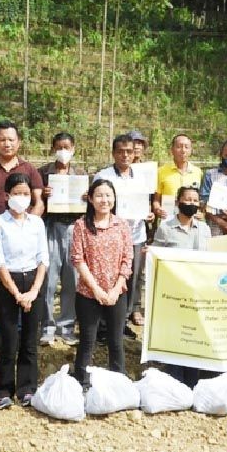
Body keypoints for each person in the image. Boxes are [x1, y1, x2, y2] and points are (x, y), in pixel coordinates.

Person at [0, 121, 44, 359]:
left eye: (11, 139)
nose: (7, 143)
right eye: (2, 139)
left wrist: (25, 227)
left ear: (19, 141)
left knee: (25, 287)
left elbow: (39, 202)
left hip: (26, 243)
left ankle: (22, 333)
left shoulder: (30, 170)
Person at [0, 173, 49, 409]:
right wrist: (16, 294)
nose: (21, 198)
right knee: (9, 339)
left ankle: (27, 389)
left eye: (25, 194)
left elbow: (43, 258)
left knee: (30, 341)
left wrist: (33, 291)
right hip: (9, 282)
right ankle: (2, 389)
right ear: (7, 195)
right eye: (17, 193)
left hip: (33, 281)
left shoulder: (37, 223)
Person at [70, 179, 133, 388]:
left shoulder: (122, 225)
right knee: (87, 341)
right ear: (90, 198)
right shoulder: (81, 225)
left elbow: (127, 258)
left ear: (114, 198)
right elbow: (78, 259)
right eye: (99, 195)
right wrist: (96, 289)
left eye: (108, 195)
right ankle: (83, 384)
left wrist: (116, 289)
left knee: (116, 342)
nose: (104, 200)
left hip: (117, 293)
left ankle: (119, 385)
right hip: (88, 294)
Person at [152, 185, 210, 387]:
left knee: (194, 335)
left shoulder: (204, 229)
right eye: (187, 199)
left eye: (195, 200)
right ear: (178, 202)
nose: (192, 204)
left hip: (198, 292)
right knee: (176, 334)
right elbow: (155, 258)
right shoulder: (166, 228)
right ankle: (175, 379)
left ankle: (193, 380)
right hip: (174, 293)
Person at [94, 134, 153, 334]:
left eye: (129, 151)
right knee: (108, 277)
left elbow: (148, 201)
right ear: (113, 153)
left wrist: (149, 214)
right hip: (110, 237)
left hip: (136, 235)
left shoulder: (143, 175)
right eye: (120, 151)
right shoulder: (104, 176)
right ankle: (103, 324)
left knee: (132, 278)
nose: (125, 155)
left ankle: (123, 321)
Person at [37, 132, 86, 346]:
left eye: (67, 146)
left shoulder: (82, 174)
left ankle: (66, 327)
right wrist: (43, 195)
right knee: (48, 279)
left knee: (71, 279)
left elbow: (91, 204)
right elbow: (33, 197)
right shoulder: (42, 173)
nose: (63, 151)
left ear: (74, 148)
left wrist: (86, 198)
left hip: (75, 228)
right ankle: (46, 326)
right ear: (52, 149)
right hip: (50, 227)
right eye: (58, 147)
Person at [153, 133, 203, 220]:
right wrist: (158, 209)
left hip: (192, 221)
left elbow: (201, 200)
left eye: (186, 147)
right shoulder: (161, 171)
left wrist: (202, 213)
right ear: (172, 150)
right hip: (169, 220)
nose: (183, 150)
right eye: (179, 147)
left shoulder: (198, 172)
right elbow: (156, 200)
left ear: (191, 150)